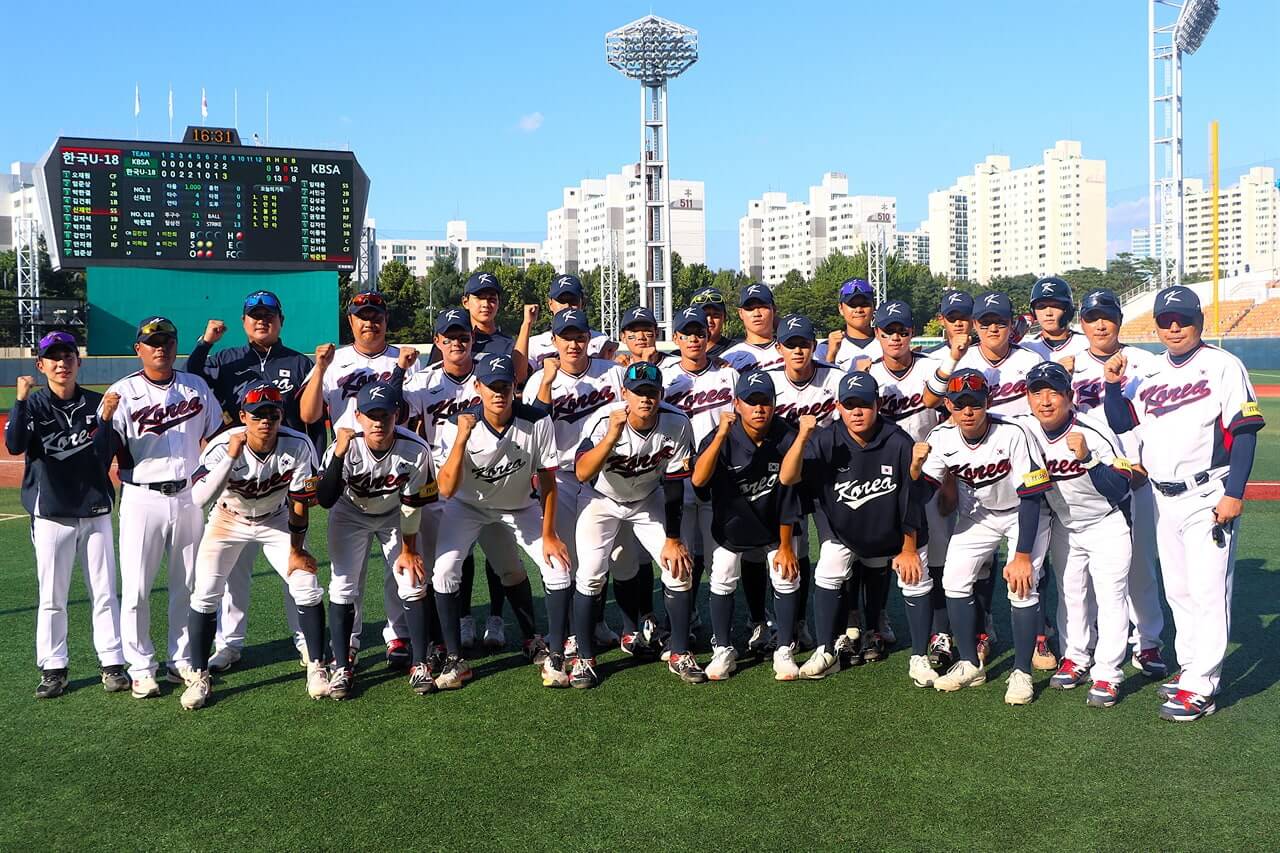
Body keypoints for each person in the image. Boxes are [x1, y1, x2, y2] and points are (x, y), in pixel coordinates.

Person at [1101, 285, 1264, 721]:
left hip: (1208, 491)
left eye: (1183, 319)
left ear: (1200, 322)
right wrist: (1114, 385)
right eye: (1165, 321)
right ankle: (1191, 668)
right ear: (1155, 325)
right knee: (1179, 589)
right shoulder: (1150, 372)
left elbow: (1244, 431)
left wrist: (1235, 493)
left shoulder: (1222, 365)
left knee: (1209, 591)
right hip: (1162, 495)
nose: (1174, 327)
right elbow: (1121, 420)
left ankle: (1203, 686)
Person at [185, 289, 319, 672]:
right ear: (244, 322)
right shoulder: (228, 359)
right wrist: (206, 342)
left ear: (281, 321)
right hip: (239, 471)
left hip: (284, 472)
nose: (262, 320)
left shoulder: (297, 361)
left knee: (297, 567)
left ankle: (304, 641)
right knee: (232, 576)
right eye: (254, 315)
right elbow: (194, 378)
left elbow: (308, 416)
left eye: (269, 315)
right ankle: (230, 643)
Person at [179, 383, 331, 709]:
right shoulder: (222, 446)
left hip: (275, 518)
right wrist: (233, 455)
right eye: (258, 414)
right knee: (205, 592)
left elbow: (302, 501)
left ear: (281, 415)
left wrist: (296, 550)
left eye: (272, 413)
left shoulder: (298, 443)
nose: (265, 421)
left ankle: (318, 666)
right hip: (227, 519)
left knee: (305, 583)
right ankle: (198, 673)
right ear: (243, 416)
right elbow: (200, 498)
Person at [929, 289, 1054, 670]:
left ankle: (1039, 634)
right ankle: (981, 633)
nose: (993, 328)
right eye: (985, 322)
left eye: (1000, 321)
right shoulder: (960, 360)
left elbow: (1049, 396)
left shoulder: (1032, 358)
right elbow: (935, 403)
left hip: (1030, 457)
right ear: (976, 325)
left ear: (1012, 323)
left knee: (1035, 564)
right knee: (976, 564)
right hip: (976, 466)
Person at [432, 355, 573, 689]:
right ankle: (454, 659)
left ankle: (551, 651)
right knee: (444, 571)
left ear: (515, 387)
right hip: (467, 506)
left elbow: (548, 480)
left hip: (519, 507)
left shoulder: (537, 421)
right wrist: (462, 438)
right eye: (491, 386)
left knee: (556, 568)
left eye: (505, 386)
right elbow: (446, 488)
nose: (499, 393)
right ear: (477, 387)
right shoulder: (455, 423)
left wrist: (549, 533)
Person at [784, 372, 934, 686]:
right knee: (829, 568)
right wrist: (802, 437)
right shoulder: (826, 439)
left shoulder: (897, 440)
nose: (857, 412)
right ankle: (827, 650)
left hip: (892, 531)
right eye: (849, 405)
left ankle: (919, 657)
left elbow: (913, 499)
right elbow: (788, 478)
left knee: (915, 577)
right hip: (845, 530)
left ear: (877, 405)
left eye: (864, 404)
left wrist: (908, 549)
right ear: (838, 406)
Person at [102, 317, 223, 698]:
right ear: (138, 348)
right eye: (152, 341)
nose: (161, 347)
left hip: (190, 496)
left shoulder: (196, 387)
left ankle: (181, 658)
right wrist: (104, 420)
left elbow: (217, 437)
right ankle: (140, 666)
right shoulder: (123, 393)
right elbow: (102, 451)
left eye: (168, 340)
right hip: (142, 498)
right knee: (137, 588)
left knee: (186, 584)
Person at [299, 288, 420, 669]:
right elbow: (308, 413)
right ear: (350, 321)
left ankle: (397, 635)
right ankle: (348, 641)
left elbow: (411, 413)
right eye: (361, 315)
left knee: (396, 565)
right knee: (346, 573)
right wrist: (319, 368)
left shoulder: (403, 359)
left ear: (386, 321)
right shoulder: (335, 361)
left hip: (389, 468)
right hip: (347, 464)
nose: (370, 321)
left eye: (377, 315)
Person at [918, 369, 1051, 705]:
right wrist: (914, 469)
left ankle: (1021, 672)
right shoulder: (942, 436)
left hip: (1023, 511)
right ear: (948, 405)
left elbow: (1033, 495)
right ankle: (969, 662)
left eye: (975, 403)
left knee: (1022, 584)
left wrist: (1021, 556)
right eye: (960, 404)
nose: (967, 411)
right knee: (954, 579)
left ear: (987, 402)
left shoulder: (1012, 431)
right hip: (979, 516)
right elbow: (924, 491)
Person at [9, 331, 127, 699]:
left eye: (68, 356)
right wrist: (20, 401)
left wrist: (106, 420)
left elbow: (106, 454)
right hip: (51, 513)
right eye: (53, 357)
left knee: (105, 592)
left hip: (94, 511)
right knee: (52, 596)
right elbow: (14, 444)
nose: (62, 363)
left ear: (80, 362)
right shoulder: (34, 405)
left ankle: (111, 662)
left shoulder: (97, 404)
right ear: (41, 365)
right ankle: (53, 667)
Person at [404, 307, 528, 656]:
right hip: (438, 482)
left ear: (473, 339)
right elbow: (403, 422)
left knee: (499, 554)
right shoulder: (421, 382)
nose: (457, 342)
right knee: (442, 562)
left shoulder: (490, 376)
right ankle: (450, 628)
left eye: (463, 336)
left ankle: (494, 618)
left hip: (489, 480)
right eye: (449, 337)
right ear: (437, 341)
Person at [569, 361, 701, 688]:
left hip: (647, 498)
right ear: (624, 393)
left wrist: (673, 537)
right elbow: (583, 473)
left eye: (651, 392)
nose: (645, 399)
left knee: (678, 567)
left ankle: (679, 652)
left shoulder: (677, 421)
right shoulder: (602, 421)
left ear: (661, 394)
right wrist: (613, 435)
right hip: (600, 500)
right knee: (590, 574)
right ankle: (584, 659)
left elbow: (673, 483)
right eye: (638, 392)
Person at [1019, 362, 1135, 708]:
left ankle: (1108, 674)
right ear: (1027, 399)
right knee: (1071, 595)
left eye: (1053, 392)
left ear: (1070, 397)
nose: (1045, 400)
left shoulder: (1094, 430)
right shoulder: (1024, 429)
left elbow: (1119, 487)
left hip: (1106, 523)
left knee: (1111, 598)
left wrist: (1087, 459)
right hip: (1065, 526)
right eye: (1037, 392)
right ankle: (1076, 657)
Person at [315, 382, 439, 699]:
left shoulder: (415, 449)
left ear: (396, 415)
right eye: (371, 415)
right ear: (358, 416)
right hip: (348, 513)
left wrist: (409, 551)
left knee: (411, 580)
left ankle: (420, 662)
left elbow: (414, 503)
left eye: (385, 415)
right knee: (343, 584)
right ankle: (342, 664)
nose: (378, 422)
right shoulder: (345, 446)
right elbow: (326, 499)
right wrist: (339, 453)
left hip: (394, 513)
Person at [1066, 288, 1167, 677]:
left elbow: (1157, 419)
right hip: (1087, 476)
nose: (1100, 323)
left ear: (1119, 321)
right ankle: (1087, 645)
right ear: (1083, 324)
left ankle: (1148, 642)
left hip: (1137, 473)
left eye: (1107, 315)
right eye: (1092, 318)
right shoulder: (1069, 365)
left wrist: (1147, 463)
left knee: (1140, 565)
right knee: (1086, 572)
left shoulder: (1145, 362)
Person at [524, 307, 626, 653]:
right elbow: (533, 428)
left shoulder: (611, 373)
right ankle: (568, 630)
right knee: (565, 557)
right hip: (563, 477)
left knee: (600, 556)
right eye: (566, 337)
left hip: (605, 474)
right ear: (553, 341)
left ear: (589, 340)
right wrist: (548, 384)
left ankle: (594, 623)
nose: (573, 344)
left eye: (579, 337)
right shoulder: (540, 380)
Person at [692, 370, 801, 681]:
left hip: (772, 525)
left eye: (764, 401)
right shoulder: (721, 435)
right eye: (751, 402)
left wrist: (784, 547)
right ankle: (723, 649)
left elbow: (789, 493)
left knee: (786, 575)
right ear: (736, 404)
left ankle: (784, 649)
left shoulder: (785, 435)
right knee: (723, 576)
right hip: (732, 525)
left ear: (774, 403)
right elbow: (699, 480)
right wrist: (721, 436)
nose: (758, 409)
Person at [867, 301, 955, 672]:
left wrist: (950, 478)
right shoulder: (868, 373)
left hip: (932, 475)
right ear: (877, 334)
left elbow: (951, 420)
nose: (896, 337)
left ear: (911, 332)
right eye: (888, 331)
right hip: (885, 478)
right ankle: (873, 624)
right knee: (875, 555)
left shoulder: (930, 368)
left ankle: (940, 633)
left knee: (936, 559)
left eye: (902, 330)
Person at [766, 314, 845, 652]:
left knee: (838, 546)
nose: (798, 350)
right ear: (779, 347)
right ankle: (793, 623)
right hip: (787, 477)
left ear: (814, 346)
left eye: (804, 343)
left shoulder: (836, 378)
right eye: (791, 344)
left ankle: (845, 625)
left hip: (828, 475)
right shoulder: (767, 381)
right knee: (792, 552)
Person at [662, 306, 740, 650]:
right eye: (686, 333)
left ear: (708, 337)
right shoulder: (664, 377)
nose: (694, 338)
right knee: (683, 558)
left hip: (719, 479)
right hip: (676, 478)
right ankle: (683, 623)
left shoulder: (729, 375)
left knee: (720, 560)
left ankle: (721, 633)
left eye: (699, 333)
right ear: (676, 338)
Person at [426, 271, 537, 384]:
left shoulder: (509, 344)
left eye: (491, 299)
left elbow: (519, 378)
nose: (485, 304)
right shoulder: (449, 340)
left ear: (499, 303)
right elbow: (432, 378)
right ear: (465, 302)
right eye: (479, 298)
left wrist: (527, 324)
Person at [526, 274, 613, 371]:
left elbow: (619, 376)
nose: (567, 306)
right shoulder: (534, 343)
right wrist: (527, 324)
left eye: (573, 301)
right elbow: (519, 378)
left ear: (582, 303)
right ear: (550, 304)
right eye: (561, 301)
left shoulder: (601, 341)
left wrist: (630, 371)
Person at [816, 278, 882, 370]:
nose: (859, 310)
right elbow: (822, 382)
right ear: (841, 309)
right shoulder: (825, 348)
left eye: (864, 304)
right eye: (852, 305)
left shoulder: (888, 343)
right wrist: (831, 356)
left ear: (873, 307)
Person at [1023, 277, 1089, 363]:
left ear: (1068, 310)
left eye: (1055, 306)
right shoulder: (1025, 347)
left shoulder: (1088, 343)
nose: (1049, 313)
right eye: (1041, 307)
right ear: (1033, 312)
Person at [722, 284, 783, 372]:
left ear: (774, 310)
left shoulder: (791, 349)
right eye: (749, 308)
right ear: (740, 313)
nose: (757, 314)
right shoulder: (728, 359)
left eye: (762, 307)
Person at [689, 286, 739, 358]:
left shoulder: (736, 352)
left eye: (716, 315)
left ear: (724, 317)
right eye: (704, 315)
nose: (709, 320)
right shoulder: (680, 356)